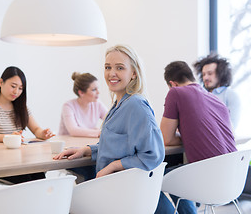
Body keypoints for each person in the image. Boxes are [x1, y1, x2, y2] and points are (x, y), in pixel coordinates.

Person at [54, 45, 165, 180]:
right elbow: (116, 146)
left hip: (118, 186)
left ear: (133, 73)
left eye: (120, 68)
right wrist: (86, 150)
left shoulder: (135, 105)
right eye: (108, 67)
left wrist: (114, 166)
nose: (111, 73)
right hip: (108, 183)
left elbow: (153, 155)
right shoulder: (119, 104)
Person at [155, 61, 237, 214]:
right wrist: (188, 134)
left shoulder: (176, 93)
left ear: (172, 84)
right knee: (177, 171)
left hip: (208, 181)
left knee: (152, 177)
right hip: (234, 181)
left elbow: (165, 138)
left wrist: (183, 136)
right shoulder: (215, 99)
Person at [0, 66, 54, 183]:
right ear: (1, 82)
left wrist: (43, 133)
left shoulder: (21, 108)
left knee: (39, 176)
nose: (16, 92)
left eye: (20, 88)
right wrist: (9, 137)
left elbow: (36, 129)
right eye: (13, 86)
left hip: (20, 161)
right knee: (28, 181)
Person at [193, 53, 241, 129]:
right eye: (203, 74)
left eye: (210, 73)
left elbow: (231, 128)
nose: (205, 78)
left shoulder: (230, 95)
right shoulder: (200, 95)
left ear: (220, 74)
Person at [58, 72, 108, 137]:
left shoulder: (97, 104)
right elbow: (73, 131)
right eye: (93, 90)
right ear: (81, 92)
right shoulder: (68, 106)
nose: (98, 92)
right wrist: (98, 132)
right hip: (68, 144)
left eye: (97, 88)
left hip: (85, 142)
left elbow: (112, 120)